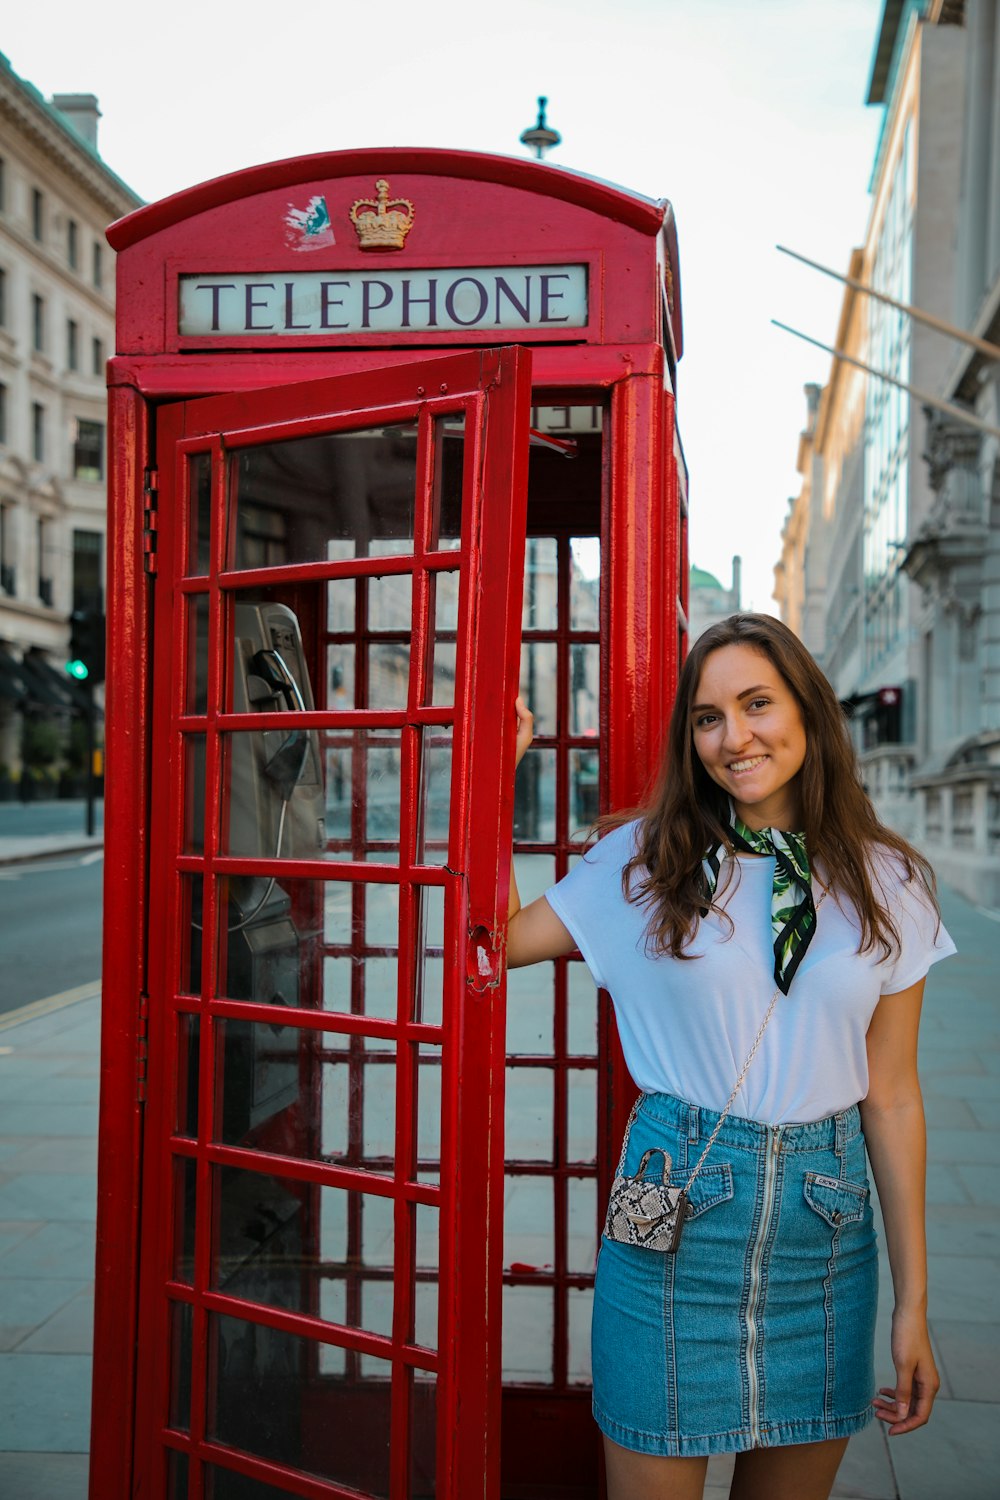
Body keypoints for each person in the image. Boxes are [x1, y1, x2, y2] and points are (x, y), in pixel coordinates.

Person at [505, 613, 955, 1500]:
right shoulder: (644, 861)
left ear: (808, 713)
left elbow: (893, 1098)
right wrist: (495, 774)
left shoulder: (888, 882)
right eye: (708, 718)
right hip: (668, 1197)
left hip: (824, 1236)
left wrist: (914, 1306)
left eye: (757, 705)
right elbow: (497, 942)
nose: (733, 737)